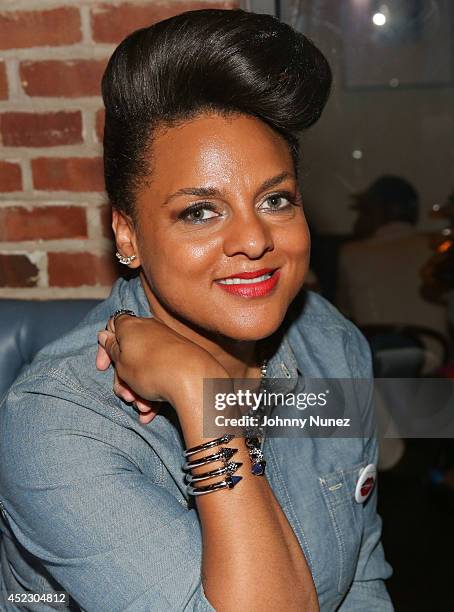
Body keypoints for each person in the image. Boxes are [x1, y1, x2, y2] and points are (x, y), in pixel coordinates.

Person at [0, 9, 393, 611]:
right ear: (126, 235)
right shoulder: (56, 426)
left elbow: (362, 579)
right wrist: (198, 392)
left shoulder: (331, 345)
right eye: (201, 211)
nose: (254, 239)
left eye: (276, 199)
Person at [336, 175, 449, 371]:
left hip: (381, 366)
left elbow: (342, 314)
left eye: (365, 211)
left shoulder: (352, 253)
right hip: (438, 361)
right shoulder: (437, 249)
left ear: (381, 212)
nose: (360, 218)